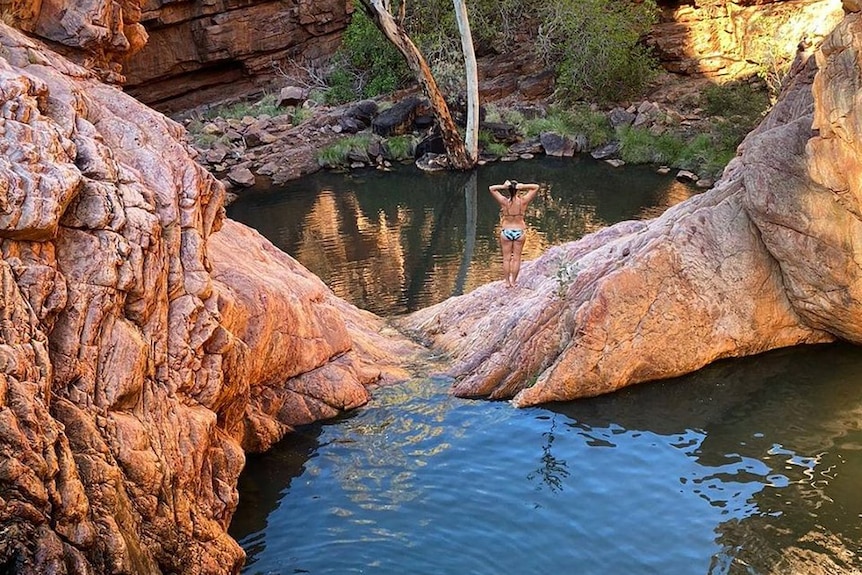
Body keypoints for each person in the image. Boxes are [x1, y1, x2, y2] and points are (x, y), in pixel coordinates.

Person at [488, 179, 540, 288]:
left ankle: (507, 282)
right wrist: (523, 186)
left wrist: (503, 186)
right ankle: (513, 282)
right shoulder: (523, 201)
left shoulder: (504, 202)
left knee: (506, 258)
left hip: (506, 231)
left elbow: (491, 188)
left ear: (509, 190)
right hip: (519, 232)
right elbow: (536, 187)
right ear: (517, 191)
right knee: (516, 258)